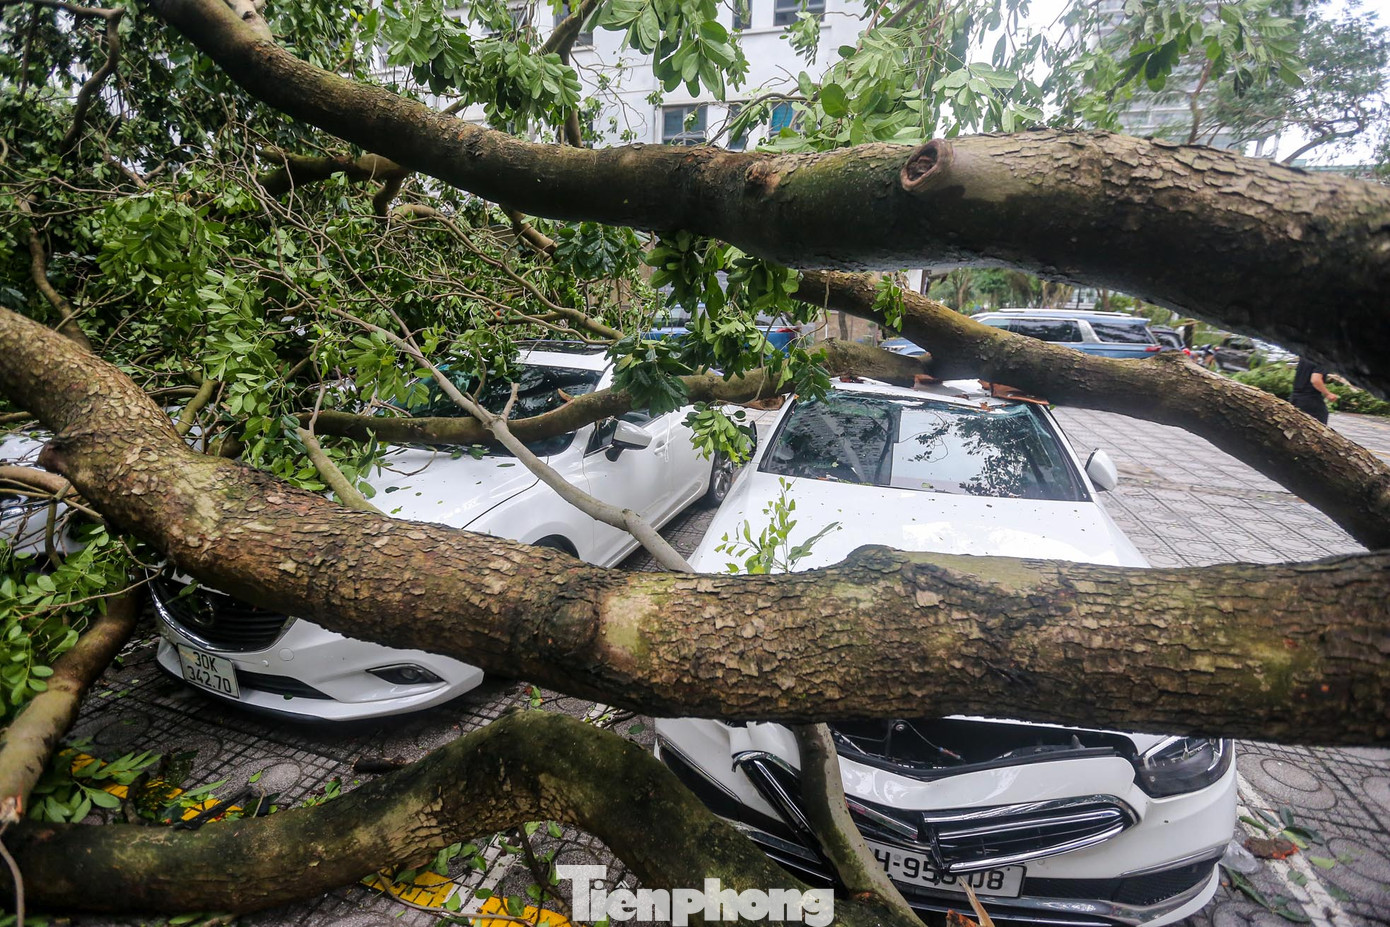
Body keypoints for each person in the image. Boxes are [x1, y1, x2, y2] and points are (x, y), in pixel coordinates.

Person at [1289, 358, 1338, 425]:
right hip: (1311, 400)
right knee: (1320, 429)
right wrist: (1328, 394)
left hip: (1295, 398)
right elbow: (1315, 380)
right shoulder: (1323, 359)